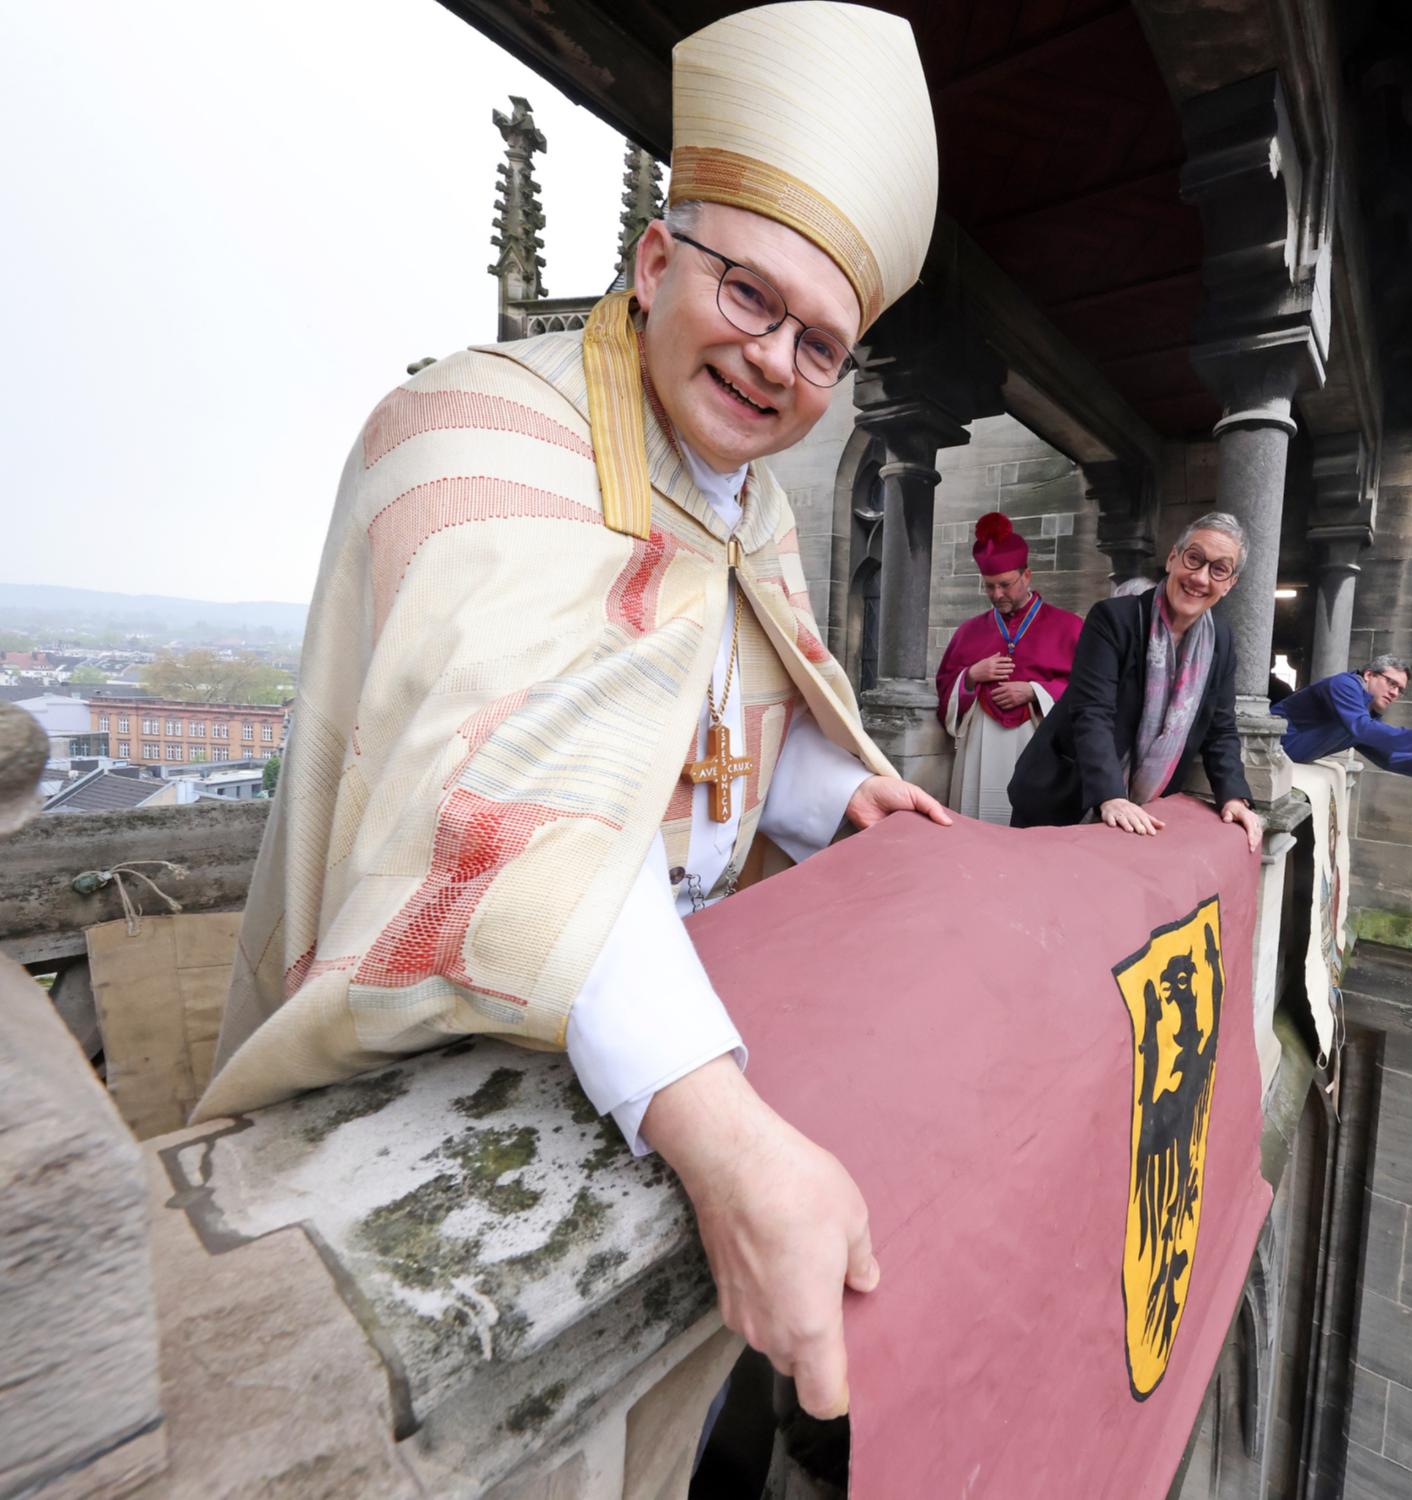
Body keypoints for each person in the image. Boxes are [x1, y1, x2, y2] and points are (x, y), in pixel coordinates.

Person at [196, 3, 951, 1422]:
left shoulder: (757, 506)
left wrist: (832, 798)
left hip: (677, 1028)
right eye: (750, 298)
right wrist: (723, 1135)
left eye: (821, 345)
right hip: (453, 1073)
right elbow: (496, 801)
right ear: (658, 258)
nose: (777, 362)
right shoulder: (468, 437)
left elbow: (729, 723)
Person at [1008, 513, 1262, 851]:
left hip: (1145, 810)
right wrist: (1111, 796)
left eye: (1218, 569)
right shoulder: (1115, 618)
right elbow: (1092, 712)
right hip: (1067, 793)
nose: (1200, 578)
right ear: (1173, 557)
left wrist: (1233, 796)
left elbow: (1220, 727)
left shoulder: (1221, 641)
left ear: (1230, 583)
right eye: (1194, 559)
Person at [933, 513, 1083, 823]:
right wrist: (971, 676)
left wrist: (1035, 691)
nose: (997, 594)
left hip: (1037, 741)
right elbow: (945, 685)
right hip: (979, 746)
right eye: (989, 587)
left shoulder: (1069, 627)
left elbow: (1088, 691)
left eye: (1005, 584)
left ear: (1027, 576)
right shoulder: (968, 632)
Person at [1273, 653, 1412, 777]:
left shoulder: (1365, 713)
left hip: (1283, 762)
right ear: (1368, 675)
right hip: (1263, 751)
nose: (1395, 693)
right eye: (1392, 683)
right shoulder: (1344, 685)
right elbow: (1364, 730)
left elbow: (1387, 757)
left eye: (1400, 690)